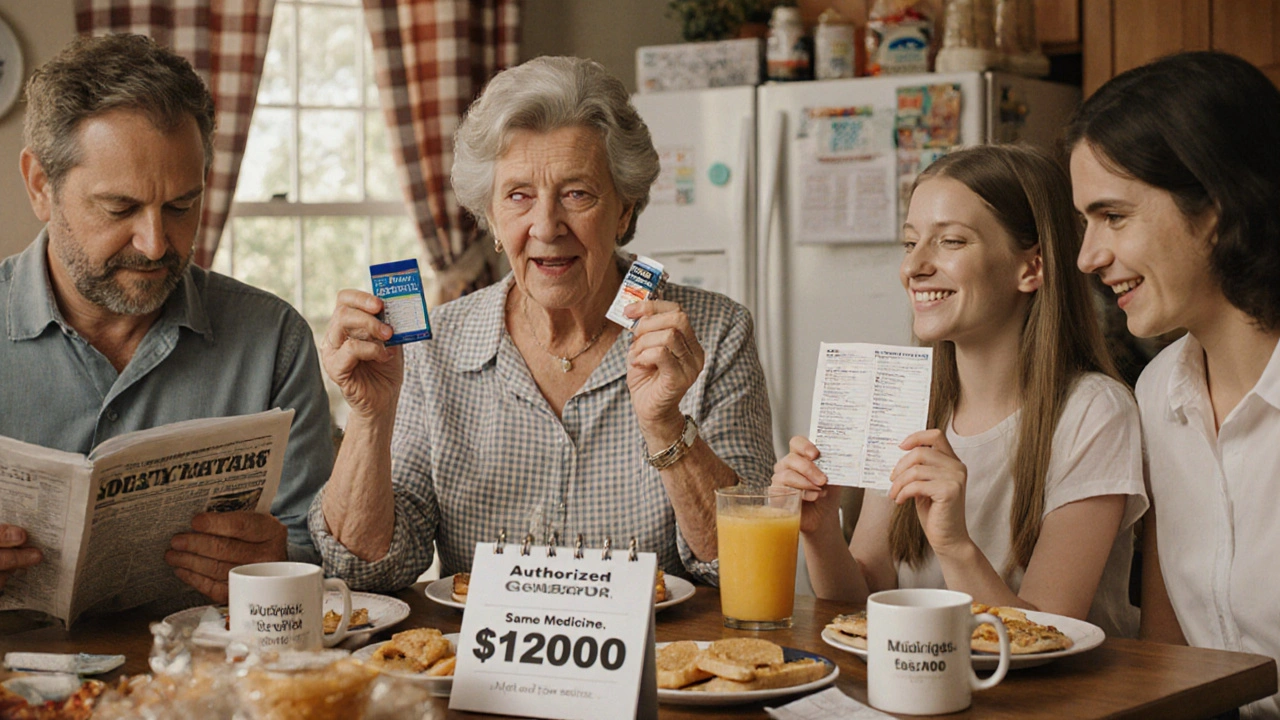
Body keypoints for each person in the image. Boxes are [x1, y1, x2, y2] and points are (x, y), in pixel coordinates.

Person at [309, 56, 774, 591]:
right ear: (492, 218)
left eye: (577, 194)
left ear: (624, 210)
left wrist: (666, 424)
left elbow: (744, 565)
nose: (546, 226)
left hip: (660, 667)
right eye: (519, 196)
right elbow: (364, 567)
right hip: (481, 669)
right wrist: (369, 416)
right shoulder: (435, 348)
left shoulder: (715, 333)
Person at [0, 34, 334, 605]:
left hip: (206, 681)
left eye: (182, 206)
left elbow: (323, 554)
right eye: (119, 208)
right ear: (40, 186)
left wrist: (282, 563)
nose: (156, 245)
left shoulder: (274, 340)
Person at [773, 145, 1147, 637]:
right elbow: (861, 602)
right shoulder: (908, 402)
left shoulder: (1094, 413)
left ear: (1031, 268)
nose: (915, 267)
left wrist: (954, 545)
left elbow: (1048, 634)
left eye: (950, 241)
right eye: (910, 244)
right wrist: (819, 532)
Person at [1068, 51, 1280, 718]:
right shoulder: (1160, 393)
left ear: (1215, 206)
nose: (1088, 256)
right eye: (1084, 221)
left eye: (1113, 216)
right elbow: (1169, 652)